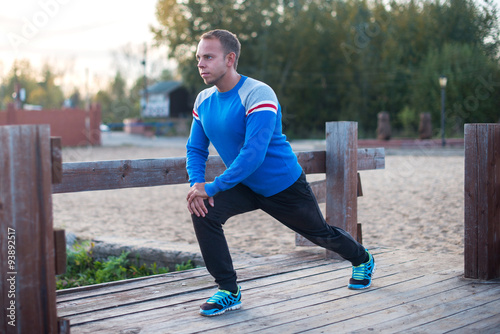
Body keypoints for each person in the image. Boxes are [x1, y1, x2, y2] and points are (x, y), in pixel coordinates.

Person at [186, 29, 375, 317]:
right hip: (242, 184)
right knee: (203, 212)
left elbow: (253, 153)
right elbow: (195, 148)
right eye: (199, 57)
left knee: (320, 234)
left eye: (208, 57)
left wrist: (212, 187)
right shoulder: (203, 100)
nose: (200, 64)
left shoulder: (258, 93)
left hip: (282, 185)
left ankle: (362, 259)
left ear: (230, 59)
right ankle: (228, 289)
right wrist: (197, 186)